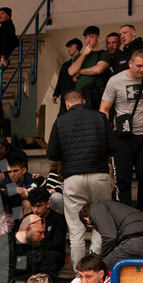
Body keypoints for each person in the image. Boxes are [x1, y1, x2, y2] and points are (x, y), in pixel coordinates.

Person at [47, 89, 116, 263]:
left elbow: (51, 153)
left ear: (67, 104)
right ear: (84, 101)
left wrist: (68, 154)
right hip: (100, 176)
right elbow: (114, 146)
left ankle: (79, 275)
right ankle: (95, 268)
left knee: (76, 230)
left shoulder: (60, 121)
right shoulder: (100, 117)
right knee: (100, 224)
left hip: (73, 178)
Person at [100, 49, 143, 214]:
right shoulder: (115, 81)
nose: (142, 70)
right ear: (130, 63)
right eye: (138, 66)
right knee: (122, 179)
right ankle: (124, 215)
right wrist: (106, 135)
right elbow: (104, 109)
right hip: (123, 136)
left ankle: (142, 213)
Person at [81, 200, 143, 270]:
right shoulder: (115, 207)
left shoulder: (96, 208)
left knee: (98, 271)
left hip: (136, 242)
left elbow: (109, 236)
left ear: (87, 219)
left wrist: (101, 260)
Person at [67, 26, 111, 109]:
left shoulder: (103, 54)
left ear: (98, 38)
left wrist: (79, 71)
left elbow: (98, 69)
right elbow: (71, 72)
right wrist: (84, 54)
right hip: (79, 95)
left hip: (96, 94)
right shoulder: (79, 57)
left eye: (91, 37)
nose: (88, 40)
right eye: (86, 38)